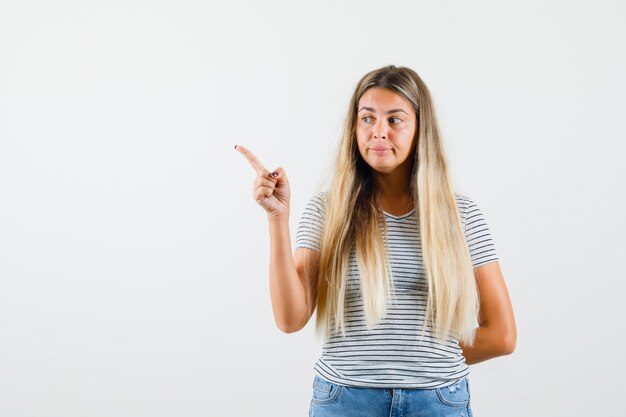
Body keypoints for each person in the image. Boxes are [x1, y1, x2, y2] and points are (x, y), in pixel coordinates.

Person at [235, 65, 516, 417]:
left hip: (438, 403)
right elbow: (291, 319)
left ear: (420, 129)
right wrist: (277, 218)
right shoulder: (327, 210)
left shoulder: (461, 216)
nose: (378, 132)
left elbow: (502, 335)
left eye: (395, 120)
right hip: (344, 402)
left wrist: (425, 358)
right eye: (367, 118)